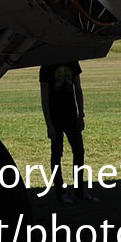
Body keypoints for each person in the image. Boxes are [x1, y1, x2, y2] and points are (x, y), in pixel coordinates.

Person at [39, 62, 89, 202]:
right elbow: (44, 98)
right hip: (56, 117)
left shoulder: (72, 61)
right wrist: (49, 125)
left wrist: (81, 115)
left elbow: (78, 89)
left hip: (71, 115)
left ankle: (80, 190)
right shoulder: (46, 65)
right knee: (57, 153)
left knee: (79, 151)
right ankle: (60, 192)